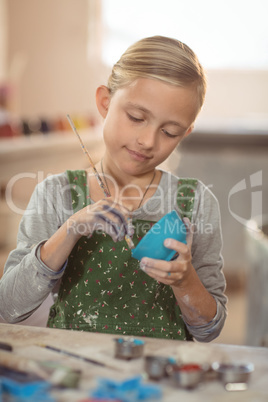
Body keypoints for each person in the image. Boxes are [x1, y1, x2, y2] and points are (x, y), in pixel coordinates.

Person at [0, 36, 227, 342]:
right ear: (105, 103)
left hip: (159, 378)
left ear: (184, 133)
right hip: (77, 370)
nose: (148, 141)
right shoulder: (57, 193)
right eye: (136, 118)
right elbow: (9, 309)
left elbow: (209, 330)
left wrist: (185, 282)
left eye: (169, 132)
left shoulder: (195, 201)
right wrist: (69, 231)